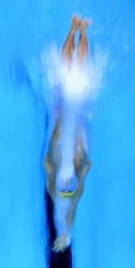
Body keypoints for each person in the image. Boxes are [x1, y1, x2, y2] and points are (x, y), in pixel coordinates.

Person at [43, 15, 92, 252]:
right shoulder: (78, 181)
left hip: (61, 113)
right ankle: (83, 31)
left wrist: (58, 124)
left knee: (64, 72)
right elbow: (70, 212)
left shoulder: (53, 178)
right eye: (68, 185)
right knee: (80, 74)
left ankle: (73, 28)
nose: (67, 184)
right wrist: (67, 236)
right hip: (78, 116)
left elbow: (46, 161)